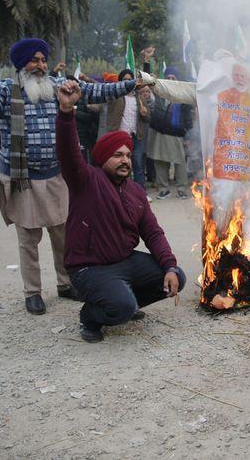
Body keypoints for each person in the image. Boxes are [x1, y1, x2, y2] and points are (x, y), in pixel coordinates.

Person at [0, 38, 141, 314]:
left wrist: (132, 84)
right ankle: (32, 292)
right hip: (23, 178)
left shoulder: (60, 86)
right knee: (28, 239)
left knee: (64, 235)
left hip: (58, 177)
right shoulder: (4, 89)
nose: (41, 65)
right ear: (21, 63)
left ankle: (66, 283)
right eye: (34, 60)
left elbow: (96, 91)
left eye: (43, 60)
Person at [54, 80, 185, 342]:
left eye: (127, 155)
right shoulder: (85, 180)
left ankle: (125, 300)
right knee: (121, 308)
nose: (124, 160)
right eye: (117, 155)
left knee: (176, 277)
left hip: (124, 261)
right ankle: (90, 316)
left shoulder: (136, 191)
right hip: (89, 269)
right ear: (103, 159)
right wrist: (66, 113)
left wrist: (170, 266)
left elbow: (153, 233)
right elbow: (68, 152)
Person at [146, 67, 190, 200]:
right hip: (158, 132)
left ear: (177, 79)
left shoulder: (182, 94)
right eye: (168, 77)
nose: (170, 80)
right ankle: (163, 189)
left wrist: (188, 136)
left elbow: (187, 117)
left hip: (176, 134)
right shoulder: (159, 91)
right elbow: (148, 80)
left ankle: (182, 189)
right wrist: (147, 64)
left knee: (180, 163)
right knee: (160, 162)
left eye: (173, 78)